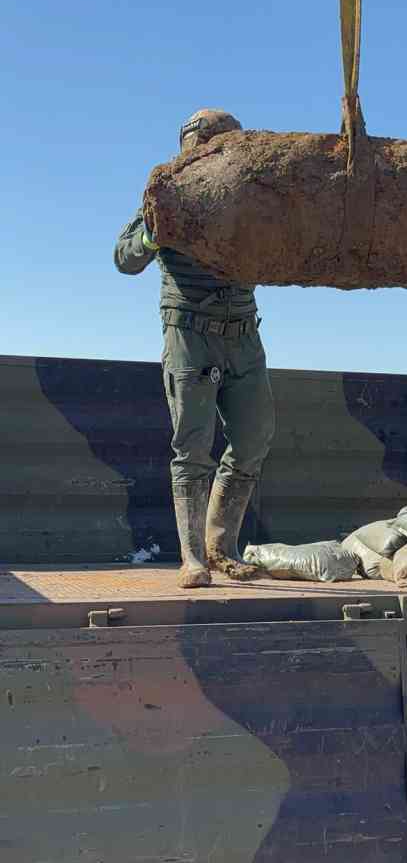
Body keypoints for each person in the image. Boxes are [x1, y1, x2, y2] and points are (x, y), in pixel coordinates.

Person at [115, 108, 275, 588]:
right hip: (190, 333)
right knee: (192, 450)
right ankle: (194, 560)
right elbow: (125, 258)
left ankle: (220, 548)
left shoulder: (253, 198)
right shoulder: (168, 193)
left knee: (253, 440)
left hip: (243, 334)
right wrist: (152, 233)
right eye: (206, 140)